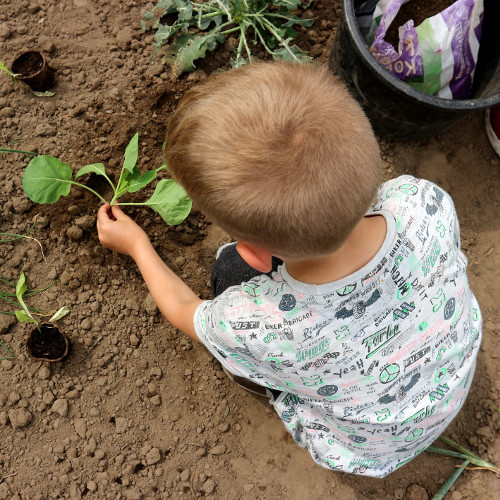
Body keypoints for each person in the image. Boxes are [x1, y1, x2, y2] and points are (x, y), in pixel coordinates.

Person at [96, 62, 482, 477]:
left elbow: (182, 308)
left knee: (228, 269)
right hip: (449, 386)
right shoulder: (422, 200)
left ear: (258, 256)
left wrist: (137, 246)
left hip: (370, 449)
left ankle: (256, 374)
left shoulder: (262, 324)